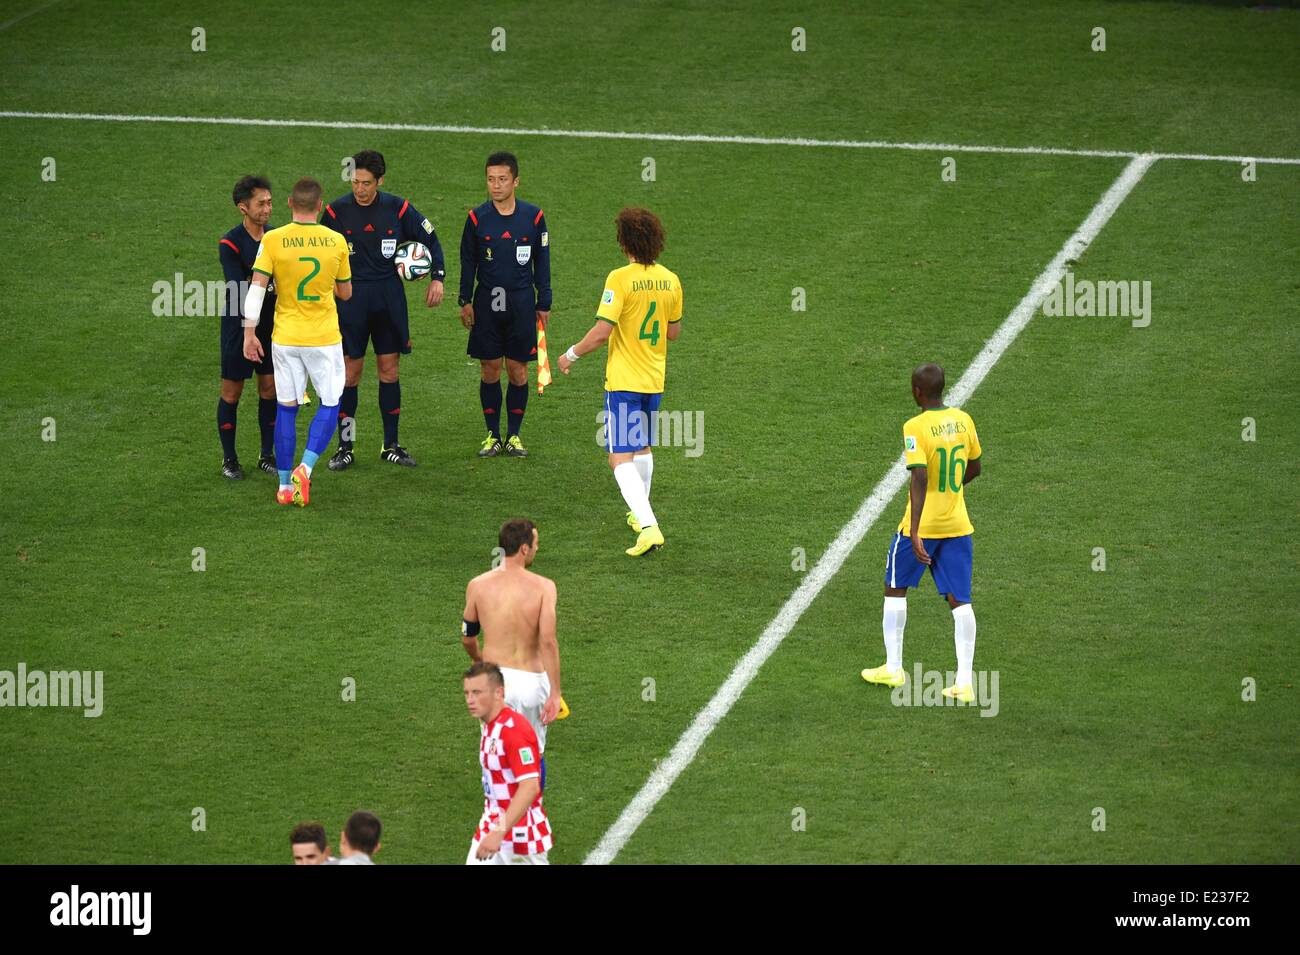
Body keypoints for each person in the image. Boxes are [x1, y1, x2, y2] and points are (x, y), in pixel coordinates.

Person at [557, 208, 682, 556]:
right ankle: (638, 513)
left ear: (624, 241)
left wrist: (570, 355)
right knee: (641, 447)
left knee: (618, 456)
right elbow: (673, 332)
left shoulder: (620, 279)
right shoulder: (671, 279)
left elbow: (601, 332)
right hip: (654, 379)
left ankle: (648, 526)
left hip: (625, 380)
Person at [862, 363, 984, 702]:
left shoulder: (915, 426)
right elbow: (975, 467)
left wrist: (915, 530)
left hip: (924, 525)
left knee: (895, 586)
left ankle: (893, 667)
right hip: (958, 524)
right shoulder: (964, 420)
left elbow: (918, 477)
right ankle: (964, 683)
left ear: (917, 392)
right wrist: (952, 492)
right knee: (960, 600)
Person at [324, 150, 446, 470]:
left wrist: (438, 279)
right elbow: (320, 253)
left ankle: (390, 444)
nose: (359, 189)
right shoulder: (335, 213)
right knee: (350, 375)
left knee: (389, 372)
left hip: (389, 299)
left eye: (366, 183)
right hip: (350, 300)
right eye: (355, 182)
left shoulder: (398, 208)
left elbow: (431, 239)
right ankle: (345, 446)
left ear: (380, 181)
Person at [242, 177, 352, 506]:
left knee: (286, 409)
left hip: (285, 338)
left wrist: (249, 333)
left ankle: (283, 486)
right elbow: (345, 293)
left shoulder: (273, 240)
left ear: (290, 203)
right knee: (330, 403)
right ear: (320, 206)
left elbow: (256, 290)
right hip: (323, 338)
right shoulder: (336, 241)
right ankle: (305, 467)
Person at [458, 151, 551, 458]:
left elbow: (543, 262)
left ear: (516, 181)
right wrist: (464, 300)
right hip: (486, 301)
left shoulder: (534, 217)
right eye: (490, 179)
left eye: (502, 179)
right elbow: (468, 261)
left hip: (522, 302)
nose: (495, 186)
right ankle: (492, 435)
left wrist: (544, 301)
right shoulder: (476, 219)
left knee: (518, 370)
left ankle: (513, 436)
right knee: (489, 369)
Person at [461, 519, 565, 786]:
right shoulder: (544, 587)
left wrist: (480, 662)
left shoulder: (478, 585)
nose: (537, 549)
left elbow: (468, 638)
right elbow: (548, 642)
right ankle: (530, 819)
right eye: (535, 545)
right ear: (523, 549)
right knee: (531, 756)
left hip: (494, 685)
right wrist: (555, 692)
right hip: (531, 682)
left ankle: (502, 820)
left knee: (496, 757)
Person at [217, 175, 277, 480]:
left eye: (269, 202)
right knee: (232, 392)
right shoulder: (230, 243)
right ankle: (230, 459)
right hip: (239, 325)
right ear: (243, 207)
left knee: (270, 389)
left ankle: (267, 455)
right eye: (260, 204)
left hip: (270, 324)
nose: (267, 208)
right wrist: (246, 333)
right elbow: (239, 288)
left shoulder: (277, 237)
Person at [463, 662, 552, 865]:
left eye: (477, 692)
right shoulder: (490, 726)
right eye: (467, 693)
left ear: (498, 693)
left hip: (520, 837)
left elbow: (530, 787)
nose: (471, 700)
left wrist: (498, 832)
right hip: (493, 826)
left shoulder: (514, 731)